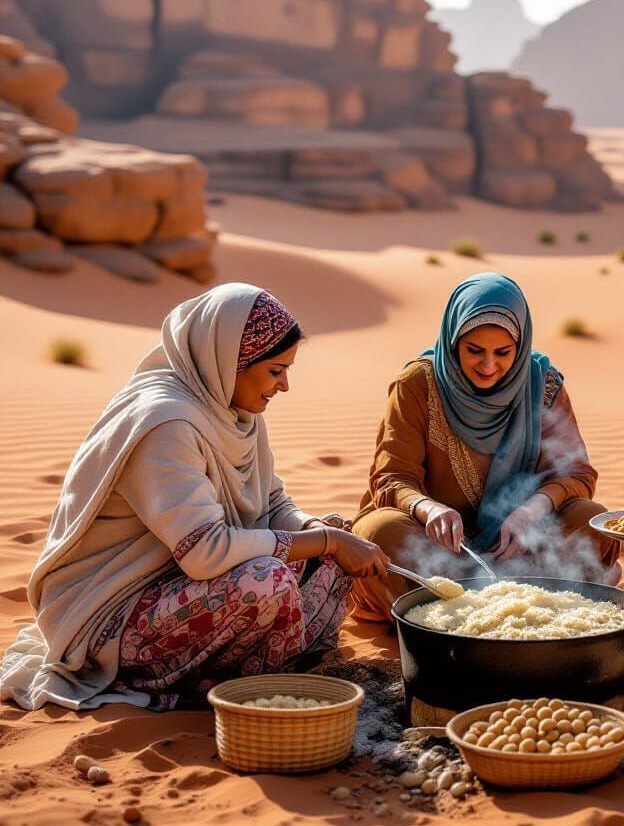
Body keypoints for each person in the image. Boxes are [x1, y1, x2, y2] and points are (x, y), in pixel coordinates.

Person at [0, 283, 389, 711]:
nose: (284, 386)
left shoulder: (233, 408)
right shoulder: (166, 424)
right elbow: (205, 552)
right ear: (230, 361)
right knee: (270, 579)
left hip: (184, 586)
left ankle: (266, 664)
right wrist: (329, 544)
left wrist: (327, 537)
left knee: (333, 531)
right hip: (112, 613)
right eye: (276, 371)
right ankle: (220, 684)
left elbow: (273, 504)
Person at [350, 272, 620, 621]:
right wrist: (428, 509)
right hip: (435, 546)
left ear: (521, 347)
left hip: (519, 546)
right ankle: (501, 601)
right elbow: (391, 478)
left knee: (591, 518)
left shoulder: (543, 386)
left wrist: (529, 513)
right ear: (453, 341)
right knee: (378, 533)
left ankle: (505, 600)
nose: (489, 366)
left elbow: (576, 475)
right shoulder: (417, 384)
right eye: (474, 350)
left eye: (504, 352)